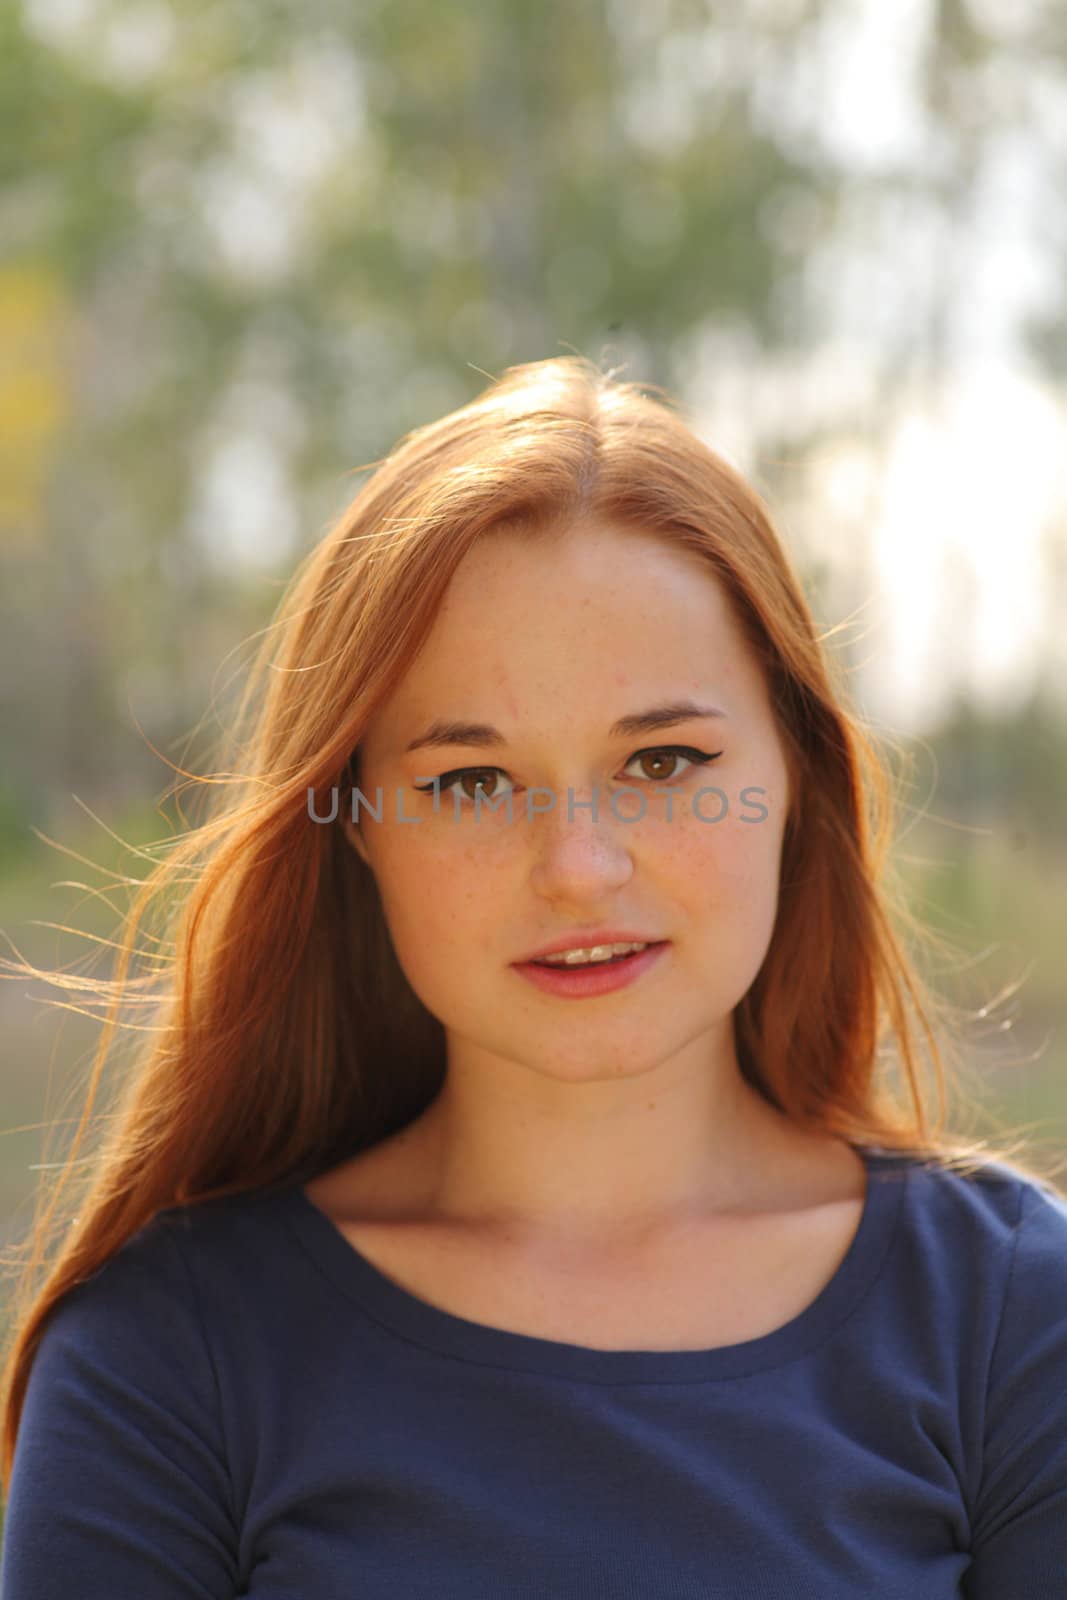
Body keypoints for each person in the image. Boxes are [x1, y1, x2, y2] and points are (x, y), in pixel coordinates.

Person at [1, 356, 1065, 1598]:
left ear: (794, 773)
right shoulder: (168, 1356)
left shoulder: (1007, 1315)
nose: (577, 866)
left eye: (663, 762)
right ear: (353, 823)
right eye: (468, 780)